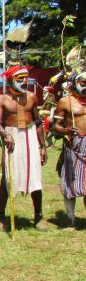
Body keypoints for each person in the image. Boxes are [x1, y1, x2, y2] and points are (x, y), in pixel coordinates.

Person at [0, 65, 48, 231]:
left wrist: (42, 146)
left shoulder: (31, 97)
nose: (24, 81)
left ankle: (38, 216)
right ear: (10, 80)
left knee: (35, 177)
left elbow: (38, 123)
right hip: (12, 137)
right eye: (19, 79)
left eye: (25, 78)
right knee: (7, 178)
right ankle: (1, 216)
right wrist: (6, 135)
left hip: (30, 136)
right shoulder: (2, 99)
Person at [53, 67, 86, 229]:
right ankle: (71, 219)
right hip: (73, 146)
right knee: (70, 184)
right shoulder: (65, 102)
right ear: (75, 83)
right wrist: (66, 130)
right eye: (83, 83)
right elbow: (55, 127)